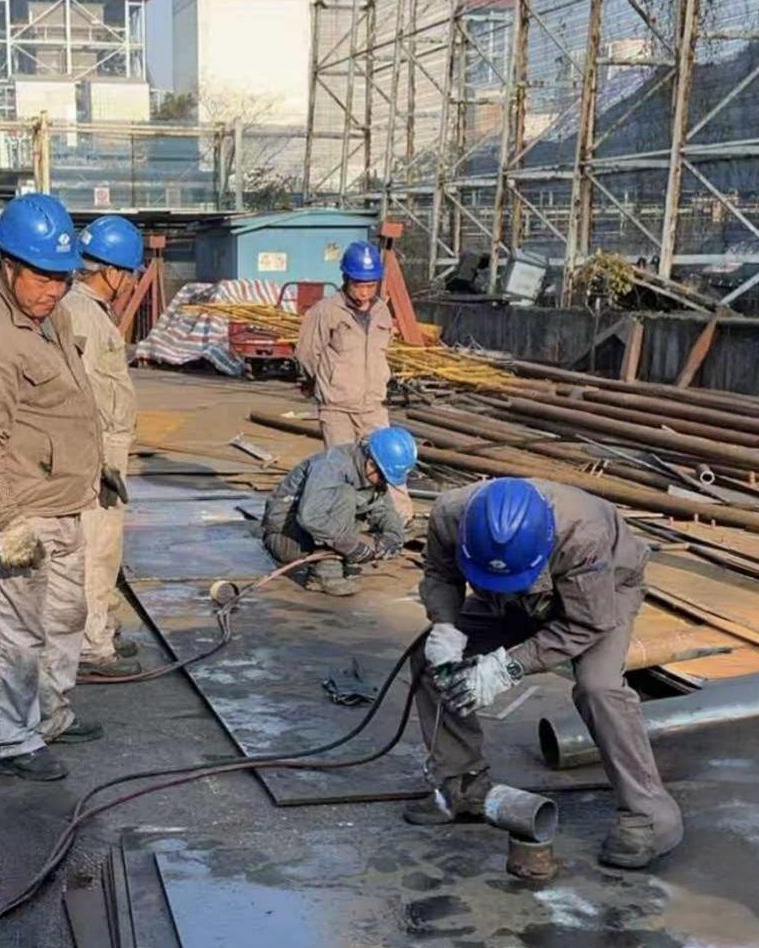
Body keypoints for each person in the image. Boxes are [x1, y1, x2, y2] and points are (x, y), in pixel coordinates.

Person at [405, 477, 683, 870]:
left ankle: (651, 815)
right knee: (429, 658)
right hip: (512, 594)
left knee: (598, 686)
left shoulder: (583, 534)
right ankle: (462, 784)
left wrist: (507, 666)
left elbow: (586, 623)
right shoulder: (450, 514)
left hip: (603, 592)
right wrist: (446, 627)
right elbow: (440, 574)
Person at [0, 193, 104, 783]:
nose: (54, 290)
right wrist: (8, 524)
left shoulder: (48, 314)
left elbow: (64, 399)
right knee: (14, 632)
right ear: (8, 265)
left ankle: (51, 714)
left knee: (64, 616)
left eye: (63, 278)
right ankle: (11, 740)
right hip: (17, 506)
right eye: (43, 277)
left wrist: (94, 466)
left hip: (63, 498)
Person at [61, 215, 144, 679]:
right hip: (98, 449)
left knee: (105, 548)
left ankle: (101, 628)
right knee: (97, 549)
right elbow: (83, 392)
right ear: (111, 271)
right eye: (128, 274)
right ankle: (92, 646)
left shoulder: (88, 310)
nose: (130, 283)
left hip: (105, 446)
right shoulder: (84, 315)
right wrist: (97, 459)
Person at [295, 241, 412, 521]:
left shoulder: (382, 311)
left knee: (390, 462)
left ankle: (400, 520)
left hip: (372, 406)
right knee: (342, 469)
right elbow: (306, 353)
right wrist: (326, 382)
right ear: (346, 278)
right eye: (359, 285)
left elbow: (382, 351)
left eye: (371, 285)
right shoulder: (326, 311)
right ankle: (344, 524)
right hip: (337, 408)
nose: (365, 292)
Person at [261, 426, 417, 596]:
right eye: (384, 478)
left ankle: (336, 555)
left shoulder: (370, 470)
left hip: (309, 536)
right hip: (286, 537)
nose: (384, 483)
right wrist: (351, 547)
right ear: (371, 463)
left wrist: (393, 535)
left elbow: (384, 509)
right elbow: (310, 517)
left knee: (361, 521)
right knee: (345, 495)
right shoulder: (331, 466)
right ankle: (326, 572)